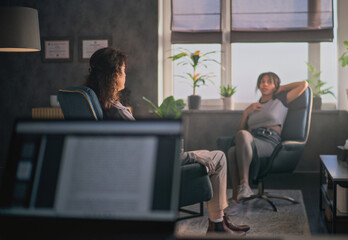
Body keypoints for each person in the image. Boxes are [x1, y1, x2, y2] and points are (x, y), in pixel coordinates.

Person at [85, 47, 249, 235]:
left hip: (134, 171)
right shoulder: (118, 112)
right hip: (154, 174)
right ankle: (217, 223)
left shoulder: (99, 103)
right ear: (115, 75)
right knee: (218, 157)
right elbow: (151, 157)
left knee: (210, 155)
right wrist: (191, 156)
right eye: (123, 70)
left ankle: (219, 221)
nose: (125, 75)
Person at [227, 72, 307, 204]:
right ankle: (237, 196)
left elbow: (304, 84)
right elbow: (239, 132)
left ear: (275, 85)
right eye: (262, 81)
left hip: (270, 141)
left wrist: (281, 88)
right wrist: (246, 112)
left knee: (242, 136)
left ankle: (245, 186)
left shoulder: (281, 99)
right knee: (232, 151)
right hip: (253, 140)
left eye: (269, 82)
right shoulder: (254, 106)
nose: (264, 84)